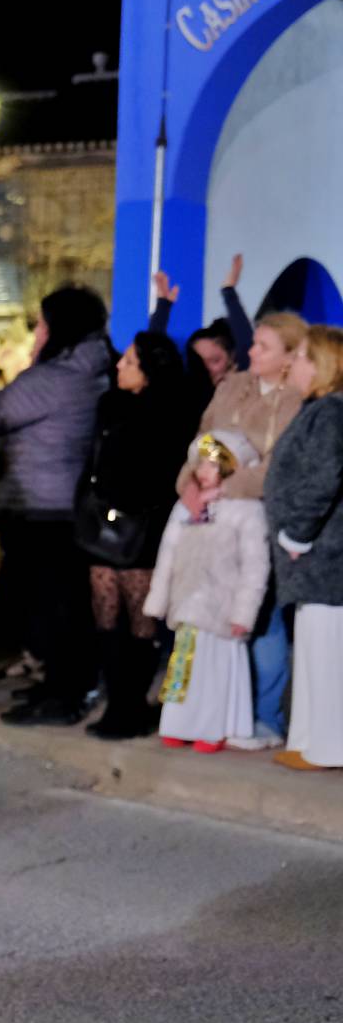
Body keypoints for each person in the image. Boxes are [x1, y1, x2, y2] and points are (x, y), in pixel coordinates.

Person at [0, 285, 115, 726]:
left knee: (56, 609)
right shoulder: (91, 369)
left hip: (43, 507)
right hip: (59, 504)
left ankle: (64, 695)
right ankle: (58, 686)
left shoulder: (56, 378)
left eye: (43, 324)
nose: (38, 333)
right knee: (55, 607)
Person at [181, 311, 308, 751]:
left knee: (261, 616)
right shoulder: (232, 386)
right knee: (208, 613)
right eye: (253, 343)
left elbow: (280, 466)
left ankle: (264, 716)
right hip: (211, 517)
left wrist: (227, 488)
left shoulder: (297, 400)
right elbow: (202, 440)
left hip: (261, 518)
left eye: (263, 347)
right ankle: (212, 710)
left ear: (290, 357)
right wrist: (190, 484)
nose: (250, 351)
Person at [78, 332, 201, 740]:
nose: (119, 365)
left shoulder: (172, 411)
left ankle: (132, 706)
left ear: (149, 370)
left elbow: (163, 474)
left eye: (130, 361)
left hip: (145, 529)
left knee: (140, 624)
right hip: (104, 525)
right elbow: (95, 462)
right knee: (106, 619)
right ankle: (117, 703)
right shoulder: (111, 404)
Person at [146, 431, 270, 753]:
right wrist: (158, 600)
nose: (203, 471)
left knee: (215, 668)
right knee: (184, 663)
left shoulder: (245, 509)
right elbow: (168, 553)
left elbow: (255, 565)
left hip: (221, 607)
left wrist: (244, 612)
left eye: (212, 465)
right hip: (187, 601)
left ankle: (213, 727)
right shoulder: (185, 507)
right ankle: (179, 723)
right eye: (200, 464)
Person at [267, 324, 343, 770]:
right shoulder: (319, 409)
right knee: (314, 650)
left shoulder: (330, 412)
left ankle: (329, 745)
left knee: (327, 652)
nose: (291, 364)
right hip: (315, 559)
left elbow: (323, 478)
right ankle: (310, 740)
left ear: (321, 365)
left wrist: (298, 533)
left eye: (299, 356)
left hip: (325, 557)